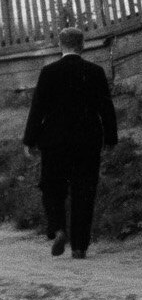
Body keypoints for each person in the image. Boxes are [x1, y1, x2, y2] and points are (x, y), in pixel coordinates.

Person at [22, 26, 119, 260]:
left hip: (54, 141)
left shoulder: (48, 72)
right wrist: (110, 138)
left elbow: (38, 108)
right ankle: (79, 247)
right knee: (84, 191)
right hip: (87, 141)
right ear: (82, 45)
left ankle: (58, 229)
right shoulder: (95, 72)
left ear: (59, 45)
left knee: (51, 187)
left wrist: (29, 139)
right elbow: (106, 107)